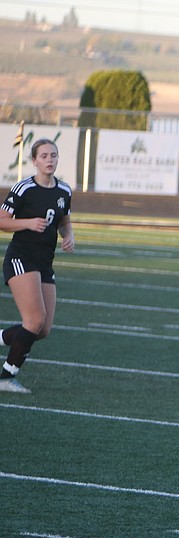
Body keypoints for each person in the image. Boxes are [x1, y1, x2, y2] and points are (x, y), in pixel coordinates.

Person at [0, 138, 74, 394]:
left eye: (53, 155)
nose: (50, 160)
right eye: (44, 156)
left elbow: (63, 219)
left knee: (42, 329)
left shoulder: (64, 190)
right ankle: (5, 377)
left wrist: (69, 235)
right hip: (21, 257)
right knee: (33, 320)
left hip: (45, 262)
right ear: (34, 161)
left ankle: (0, 339)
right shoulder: (24, 189)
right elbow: (3, 221)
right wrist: (28, 223)